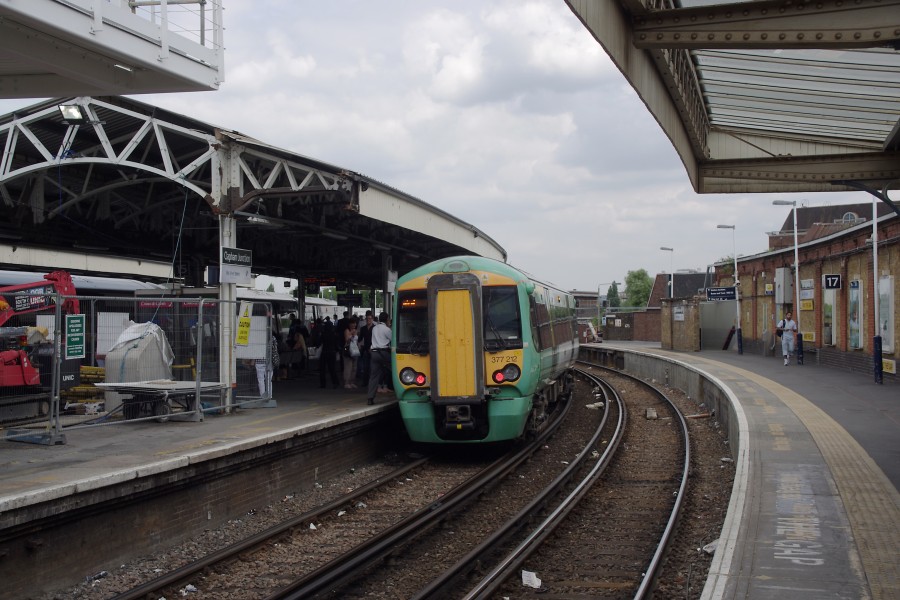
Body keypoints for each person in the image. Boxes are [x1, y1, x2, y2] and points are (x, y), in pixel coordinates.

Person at [367, 312, 392, 406]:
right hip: (384, 353)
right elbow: (393, 340)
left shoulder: (374, 328)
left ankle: (370, 398)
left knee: (373, 376)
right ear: (387, 319)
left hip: (374, 353)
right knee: (396, 370)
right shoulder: (387, 329)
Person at [318, 316, 340, 388]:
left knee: (322, 369)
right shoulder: (334, 335)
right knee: (332, 369)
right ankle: (335, 382)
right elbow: (337, 345)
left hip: (324, 352)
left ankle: (323, 384)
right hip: (332, 352)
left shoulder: (323, 334)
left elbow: (318, 343)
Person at [342, 320, 360, 389]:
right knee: (348, 367)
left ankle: (352, 382)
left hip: (355, 350)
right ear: (349, 324)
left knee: (354, 367)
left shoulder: (356, 330)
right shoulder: (347, 330)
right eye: (352, 323)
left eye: (354, 323)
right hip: (348, 350)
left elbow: (358, 340)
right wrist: (351, 334)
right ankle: (346, 382)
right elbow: (347, 339)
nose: (353, 325)